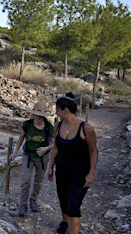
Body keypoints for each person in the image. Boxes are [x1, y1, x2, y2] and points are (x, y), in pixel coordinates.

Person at [47, 92, 98, 234]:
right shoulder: (58, 125)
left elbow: (94, 151)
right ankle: (65, 222)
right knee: (63, 200)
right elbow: (55, 147)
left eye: (57, 109)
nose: (56, 112)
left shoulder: (86, 128)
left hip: (80, 173)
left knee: (73, 203)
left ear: (65, 110)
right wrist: (50, 167)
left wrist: (91, 173)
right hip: (62, 170)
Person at [10, 101, 54, 217]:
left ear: (43, 116)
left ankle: (33, 199)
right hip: (28, 156)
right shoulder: (27, 124)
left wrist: (46, 148)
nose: (37, 117)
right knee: (26, 180)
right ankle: (23, 204)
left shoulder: (49, 127)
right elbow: (21, 137)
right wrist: (15, 151)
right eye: (36, 115)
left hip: (42, 158)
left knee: (38, 181)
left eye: (40, 116)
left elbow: (55, 144)